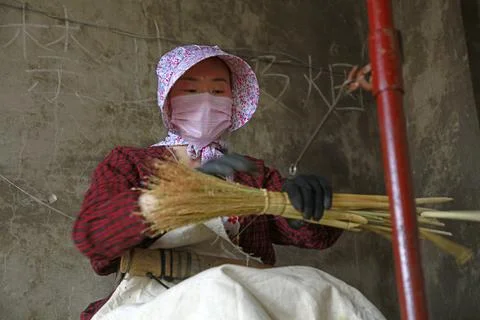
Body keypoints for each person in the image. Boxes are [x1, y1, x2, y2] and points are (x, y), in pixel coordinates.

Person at [73, 45, 383, 320]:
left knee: (326, 290)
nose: (206, 101)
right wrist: (178, 196)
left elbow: (315, 237)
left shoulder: (252, 175)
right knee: (221, 293)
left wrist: (305, 208)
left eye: (218, 91)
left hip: (246, 287)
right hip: (156, 299)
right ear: (168, 100)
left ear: (235, 102)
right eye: (191, 91)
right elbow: (93, 237)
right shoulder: (129, 162)